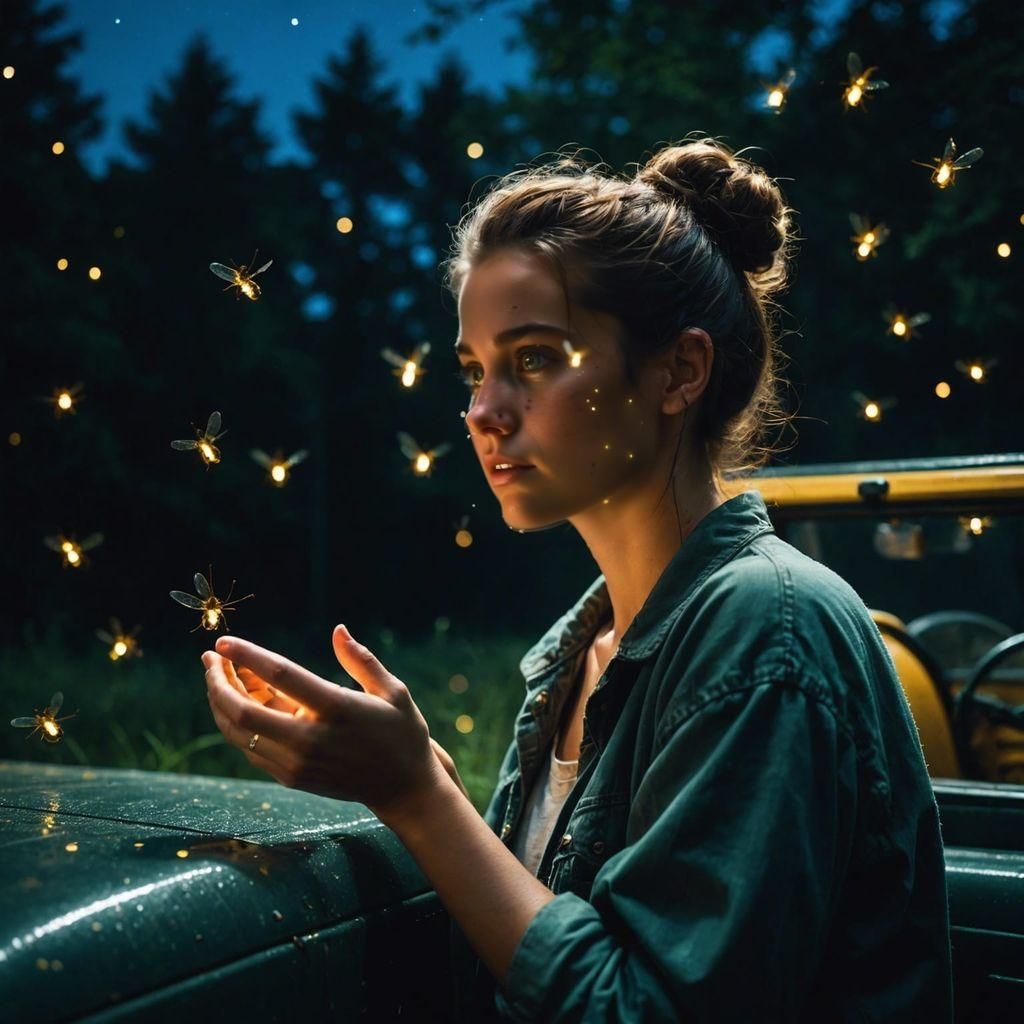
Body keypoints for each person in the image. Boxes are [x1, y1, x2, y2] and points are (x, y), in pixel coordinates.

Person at [202, 136, 954, 1022]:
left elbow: (645, 1010)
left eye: (534, 359)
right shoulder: (578, 651)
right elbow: (537, 940)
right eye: (476, 370)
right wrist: (402, 776)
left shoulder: (766, 626)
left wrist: (418, 794)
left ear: (680, 370)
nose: (483, 410)